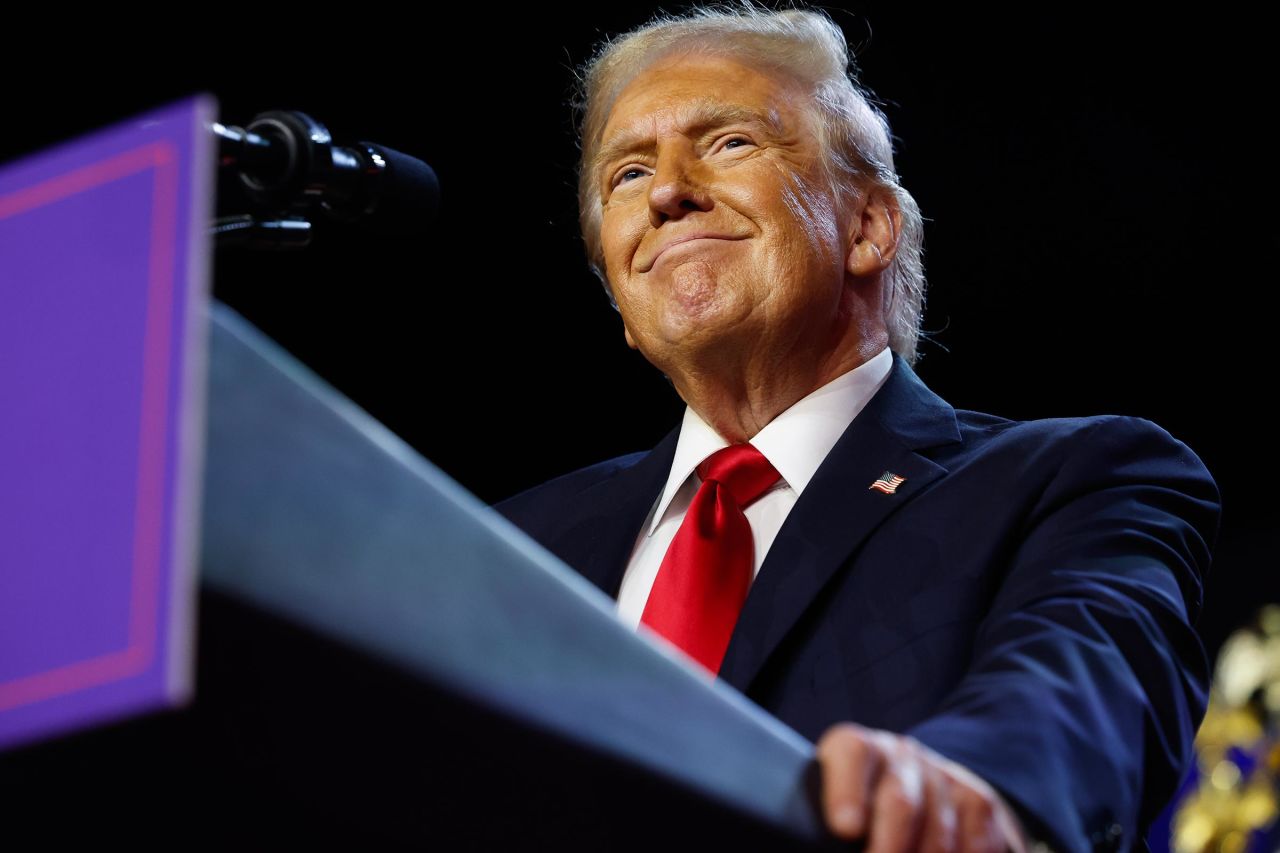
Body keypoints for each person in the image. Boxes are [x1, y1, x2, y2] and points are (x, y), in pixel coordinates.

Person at [495, 6, 1220, 852]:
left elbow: (1085, 675)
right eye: (625, 174)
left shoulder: (1070, 481)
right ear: (621, 294)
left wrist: (970, 785)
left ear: (868, 228)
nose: (665, 192)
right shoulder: (511, 545)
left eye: (728, 142)